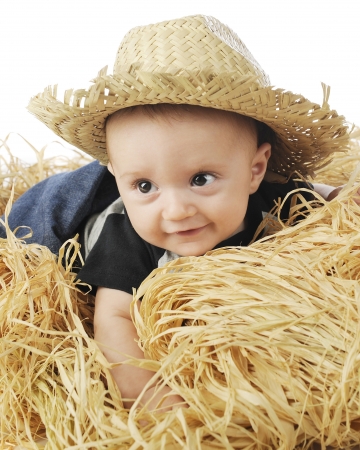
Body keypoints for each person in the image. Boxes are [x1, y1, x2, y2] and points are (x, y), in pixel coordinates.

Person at [17, 15, 355, 411]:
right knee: (31, 233)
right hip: (63, 218)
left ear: (255, 171)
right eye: (144, 186)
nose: (175, 211)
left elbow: (308, 194)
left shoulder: (270, 198)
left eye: (200, 179)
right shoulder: (127, 236)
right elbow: (115, 322)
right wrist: (149, 397)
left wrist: (339, 197)